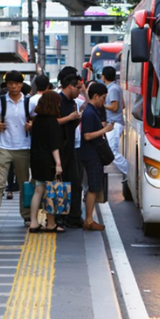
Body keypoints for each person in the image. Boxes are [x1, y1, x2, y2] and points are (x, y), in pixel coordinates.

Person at [0, 70, 32, 230]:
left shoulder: (28, 102)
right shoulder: (0, 101)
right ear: (7, 85)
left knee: (24, 184)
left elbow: (36, 118)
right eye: (11, 83)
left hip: (23, 147)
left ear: (21, 85)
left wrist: (31, 125)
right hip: (3, 147)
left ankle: (26, 216)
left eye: (17, 83)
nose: (14, 86)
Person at [79, 82, 113, 231]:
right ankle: (89, 220)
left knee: (94, 186)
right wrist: (105, 129)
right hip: (91, 154)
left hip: (93, 154)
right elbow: (87, 136)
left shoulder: (92, 111)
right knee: (93, 187)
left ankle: (89, 218)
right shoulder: (89, 113)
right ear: (96, 96)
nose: (104, 101)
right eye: (103, 98)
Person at [28, 92, 65, 233]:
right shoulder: (52, 122)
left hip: (36, 158)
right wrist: (58, 163)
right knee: (51, 191)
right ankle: (51, 223)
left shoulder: (37, 120)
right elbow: (54, 145)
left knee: (38, 190)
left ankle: (33, 222)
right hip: (48, 160)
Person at [57, 67, 87, 228]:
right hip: (59, 147)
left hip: (71, 146)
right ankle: (59, 216)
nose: (79, 91)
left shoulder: (74, 103)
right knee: (60, 183)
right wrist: (70, 117)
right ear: (69, 86)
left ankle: (74, 216)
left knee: (75, 183)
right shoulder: (57, 100)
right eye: (78, 88)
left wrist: (76, 118)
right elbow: (52, 122)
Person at [101, 66, 128, 179]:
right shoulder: (116, 88)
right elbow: (123, 105)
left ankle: (128, 172)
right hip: (114, 123)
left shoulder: (112, 89)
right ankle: (128, 173)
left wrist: (102, 106)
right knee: (113, 151)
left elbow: (115, 106)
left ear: (103, 77)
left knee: (112, 152)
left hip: (114, 123)